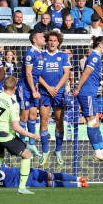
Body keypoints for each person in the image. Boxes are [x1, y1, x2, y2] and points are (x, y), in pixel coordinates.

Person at [0, 76, 40, 194]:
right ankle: (22, 187)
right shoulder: (13, 104)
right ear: (15, 88)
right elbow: (16, 127)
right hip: (5, 136)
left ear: (4, 86)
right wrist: (32, 135)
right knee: (27, 155)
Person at [71, 36, 103, 162]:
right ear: (100, 45)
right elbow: (86, 72)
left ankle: (102, 149)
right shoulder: (94, 56)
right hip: (87, 93)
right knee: (91, 122)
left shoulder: (97, 57)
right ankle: (97, 151)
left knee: (96, 122)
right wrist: (78, 88)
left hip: (91, 92)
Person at [37, 31, 71, 166]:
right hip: (45, 93)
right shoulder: (41, 55)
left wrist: (56, 88)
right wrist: (48, 87)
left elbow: (67, 73)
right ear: (47, 41)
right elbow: (37, 74)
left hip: (59, 92)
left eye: (54, 41)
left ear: (58, 42)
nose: (52, 43)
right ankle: (45, 151)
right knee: (43, 120)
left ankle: (58, 150)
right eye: (50, 40)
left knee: (59, 121)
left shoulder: (63, 56)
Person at [0, 158, 87, 188]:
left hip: (22, 184)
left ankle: (79, 185)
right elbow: (5, 166)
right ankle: (79, 178)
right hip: (24, 172)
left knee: (49, 184)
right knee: (50, 175)